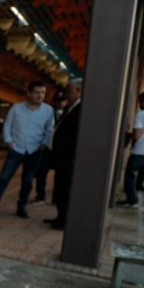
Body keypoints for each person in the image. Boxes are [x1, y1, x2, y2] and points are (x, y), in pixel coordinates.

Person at [0, 81, 54, 219]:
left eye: (43, 93)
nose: (40, 96)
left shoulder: (48, 110)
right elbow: (7, 125)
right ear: (29, 93)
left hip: (35, 150)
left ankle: (21, 208)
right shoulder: (16, 108)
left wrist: (44, 144)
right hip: (16, 149)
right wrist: (9, 142)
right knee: (4, 179)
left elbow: (49, 129)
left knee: (27, 181)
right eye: (36, 92)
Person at [44, 78, 83, 230]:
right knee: (60, 187)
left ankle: (64, 220)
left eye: (70, 91)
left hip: (68, 157)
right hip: (61, 156)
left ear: (78, 91)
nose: (67, 94)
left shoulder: (82, 109)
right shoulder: (71, 107)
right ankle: (60, 216)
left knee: (65, 188)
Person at [32, 89, 67, 205]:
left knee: (60, 174)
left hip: (59, 149)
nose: (60, 104)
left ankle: (57, 198)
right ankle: (40, 195)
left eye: (62, 101)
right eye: (58, 101)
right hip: (46, 147)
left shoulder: (67, 113)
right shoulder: (48, 112)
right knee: (41, 172)